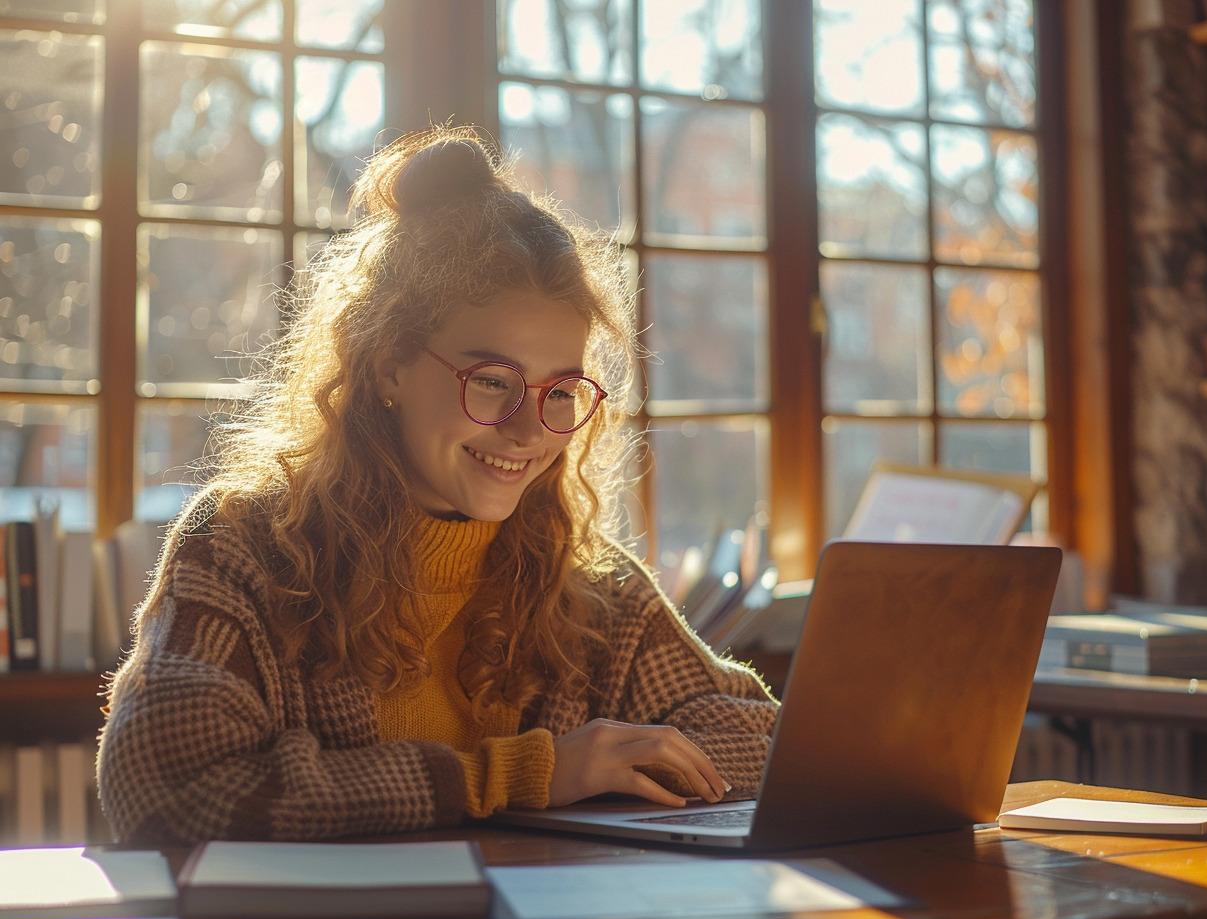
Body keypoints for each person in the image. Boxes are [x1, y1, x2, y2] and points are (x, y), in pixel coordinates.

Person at [96, 124, 778, 844]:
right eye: (491, 381)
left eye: (561, 392)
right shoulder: (242, 550)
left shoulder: (588, 586)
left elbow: (765, 741)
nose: (529, 430)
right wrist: (512, 777)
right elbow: (165, 791)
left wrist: (639, 760)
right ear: (389, 363)